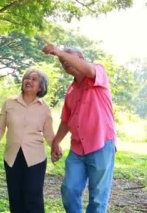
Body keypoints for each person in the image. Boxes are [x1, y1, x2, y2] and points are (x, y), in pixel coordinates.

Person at [43, 43, 116, 213]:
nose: (64, 61)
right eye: (62, 61)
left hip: (101, 144)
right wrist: (55, 142)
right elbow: (66, 121)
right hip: (77, 150)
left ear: (81, 58)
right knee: (69, 190)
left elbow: (89, 70)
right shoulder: (71, 90)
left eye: (67, 57)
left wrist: (58, 51)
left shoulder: (98, 73)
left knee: (98, 198)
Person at [0, 68, 55, 213]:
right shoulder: (9, 103)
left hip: (35, 158)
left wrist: (56, 148)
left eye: (34, 79)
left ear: (41, 87)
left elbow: (49, 133)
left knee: (33, 197)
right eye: (26, 78)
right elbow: (0, 128)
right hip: (12, 157)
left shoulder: (44, 108)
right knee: (15, 197)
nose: (29, 81)